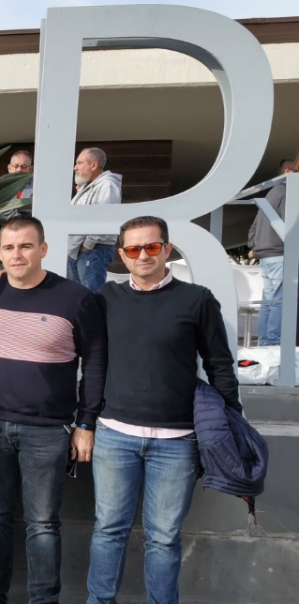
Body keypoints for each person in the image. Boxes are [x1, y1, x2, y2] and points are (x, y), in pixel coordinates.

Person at [87, 216, 243, 604]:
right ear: (122, 255)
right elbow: (90, 359)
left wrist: (231, 425)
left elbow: (220, 365)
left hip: (176, 443)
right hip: (114, 436)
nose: (143, 255)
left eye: (152, 247)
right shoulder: (107, 298)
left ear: (167, 249)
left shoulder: (197, 299)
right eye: (134, 249)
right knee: (108, 530)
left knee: (164, 538)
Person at [0, 216, 106, 604]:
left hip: (48, 431)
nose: (17, 254)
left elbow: (95, 363)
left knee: (43, 524)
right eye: (9, 247)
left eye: (26, 246)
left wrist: (87, 422)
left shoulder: (75, 298)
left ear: (43, 249)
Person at [247, 155, 297, 346]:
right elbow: (290, 226)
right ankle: (273, 343)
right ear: (288, 172)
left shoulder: (271, 194)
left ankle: (265, 343)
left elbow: (254, 225)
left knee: (269, 300)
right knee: (278, 300)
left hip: (267, 255)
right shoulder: (285, 192)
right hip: (279, 253)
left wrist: (254, 247)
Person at [67, 147, 122, 293]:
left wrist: (88, 245)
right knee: (76, 297)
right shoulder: (88, 187)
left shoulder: (107, 185)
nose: (75, 167)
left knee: (89, 298)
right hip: (80, 251)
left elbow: (107, 220)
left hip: (93, 250)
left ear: (93, 165)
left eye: (79, 163)